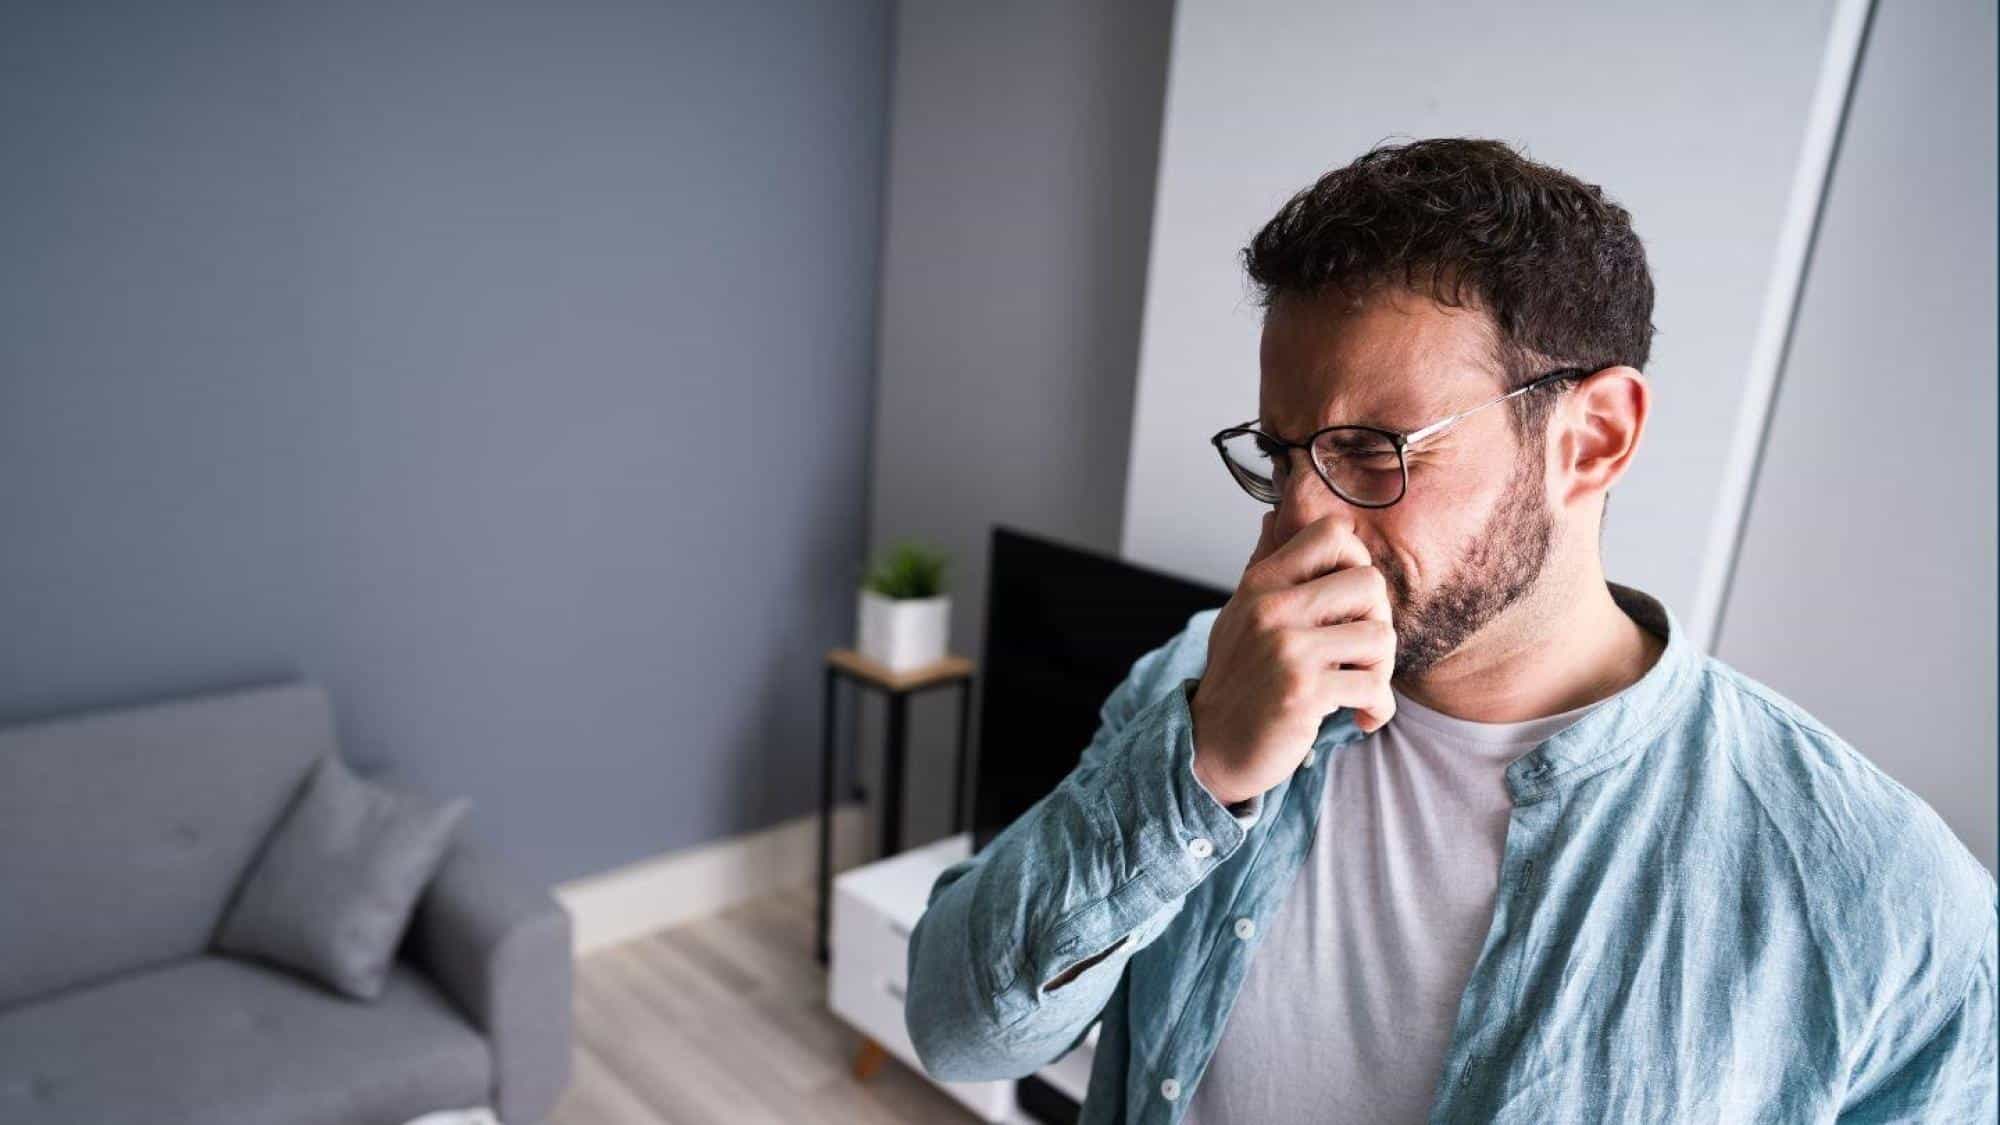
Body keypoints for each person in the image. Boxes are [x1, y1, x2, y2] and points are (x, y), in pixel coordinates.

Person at [901, 137, 1997, 1123]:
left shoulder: (1883, 898)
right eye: (1281, 454)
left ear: (1593, 438)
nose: (1299, 522)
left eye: (1373, 448)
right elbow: (958, 1033)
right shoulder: (1200, 677)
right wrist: (1198, 768)